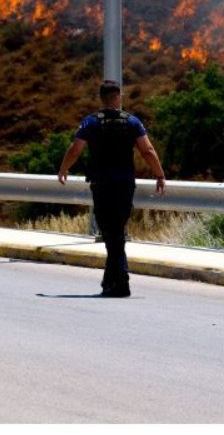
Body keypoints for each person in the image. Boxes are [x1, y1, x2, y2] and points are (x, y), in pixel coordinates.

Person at [57, 80, 166, 298]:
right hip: (125, 185)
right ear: (117, 97)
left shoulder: (91, 122)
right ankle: (113, 281)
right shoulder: (132, 121)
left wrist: (64, 169)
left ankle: (120, 280)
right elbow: (148, 150)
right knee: (115, 232)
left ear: (102, 98)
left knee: (111, 232)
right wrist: (159, 174)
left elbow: (75, 149)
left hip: (102, 185)